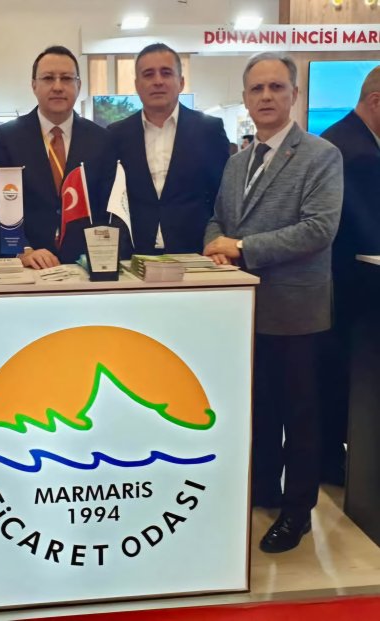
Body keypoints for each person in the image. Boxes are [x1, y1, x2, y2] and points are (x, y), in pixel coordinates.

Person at [204, 52, 343, 553]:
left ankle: (297, 511)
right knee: (257, 408)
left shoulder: (321, 155)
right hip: (244, 310)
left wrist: (241, 247)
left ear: (294, 95)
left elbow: (319, 229)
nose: (266, 96)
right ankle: (262, 490)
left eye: (276, 87)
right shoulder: (237, 161)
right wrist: (215, 245)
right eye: (257, 89)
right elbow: (218, 219)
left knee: (299, 416)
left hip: (296, 310)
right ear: (244, 98)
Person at [0, 45, 115, 268]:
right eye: (48, 78)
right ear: (34, 85)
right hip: (31, 265)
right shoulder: (9, 137)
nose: (58, 87)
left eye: (66, 78)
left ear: (78, 85)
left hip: (87, 265)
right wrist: (23, 250)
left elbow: (107, 207)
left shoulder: (101, 139)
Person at [108, 43, 229, 255]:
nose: (158, 81)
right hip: (134, 254)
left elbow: (221, 196)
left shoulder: (209, 130)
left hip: (195, 253)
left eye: (166, 73)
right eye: (148, 74)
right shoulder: (116, 134)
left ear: (181, 82)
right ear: (137, 85)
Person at [319, 66, 380, 486]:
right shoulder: (359, 153)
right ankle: (333, 461)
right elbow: (369, 233)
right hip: (350, 288)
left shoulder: (339, 138)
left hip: (336, 286)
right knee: (339, 378)